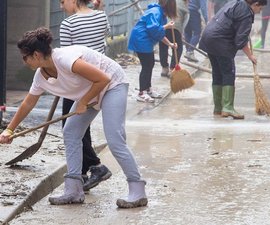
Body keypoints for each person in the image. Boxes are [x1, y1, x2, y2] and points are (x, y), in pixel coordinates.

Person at [0, 27, 148, 208]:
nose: (24, 61)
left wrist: (83, 101)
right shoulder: (40, 76)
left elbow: (103, 79)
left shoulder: (65, 59)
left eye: (25, 56)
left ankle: (137, 190)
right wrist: (9, 129)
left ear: (37, 55)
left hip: (113, 84)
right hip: (91, 90)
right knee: (70, 131)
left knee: (115, 138)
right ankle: (74, 190)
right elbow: (28, 104)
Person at [59, 0, 111, 192]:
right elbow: (103, 41)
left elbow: (66, 57)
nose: (61, 7)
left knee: (70, 128)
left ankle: (96, 166)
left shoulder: (68, 24)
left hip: (78, 82)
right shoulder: (101, 16)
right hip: (100, 78)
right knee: (81, 127)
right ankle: (81, 173)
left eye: (63, 2)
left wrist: (62, 85)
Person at [199, 0, 267, 119]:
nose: (259, 12)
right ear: (255, 4)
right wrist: (250, 55)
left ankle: (218, 108)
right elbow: (240, 40)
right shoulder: (246, 13)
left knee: (218, 73)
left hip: (209, 38)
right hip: (221, 41)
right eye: (260, 9)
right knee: (228, 73)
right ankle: (228, 108)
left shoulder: (235, 2)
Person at [128, 0, 177, 103]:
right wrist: (166, 26)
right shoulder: (155, 12)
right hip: (141, 39)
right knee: (147, 65)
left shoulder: (160, 14)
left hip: (145, 41)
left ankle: (148, 89)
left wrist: (170, 44)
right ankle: (141, 93)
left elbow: (159, 33)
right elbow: (154, 29)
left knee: (150, 64)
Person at [159, 0, 189, 78]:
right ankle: (172, 68)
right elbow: (187, 17)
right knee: (178, 48)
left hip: (164, 26)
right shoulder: (183, 3)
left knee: (163, 46)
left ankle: (164, 68)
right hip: (176, 27)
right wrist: (182, 30)